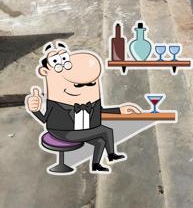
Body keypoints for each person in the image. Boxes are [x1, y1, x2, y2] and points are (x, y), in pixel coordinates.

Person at [26, 43, 142, 173]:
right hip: (62, 132)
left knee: (99, 141)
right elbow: (45, 120)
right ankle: (111, 155)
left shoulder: (91, 101)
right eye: (78, 85)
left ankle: (97, 164)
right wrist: (34, 110)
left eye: (91, 84)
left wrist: (120, 110)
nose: (85, 87)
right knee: (105, 131)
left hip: (80, 129)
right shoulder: (56, 103)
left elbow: (101, 111)